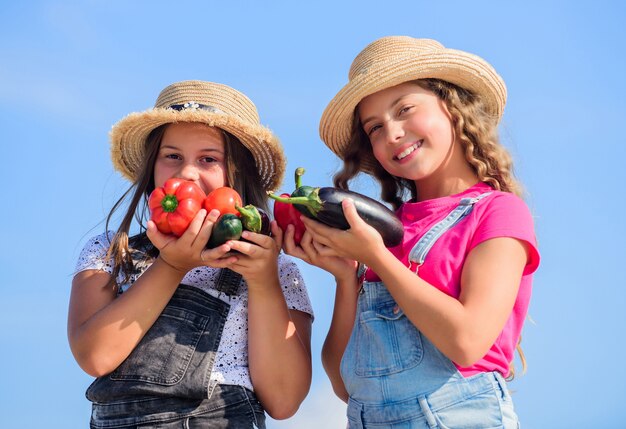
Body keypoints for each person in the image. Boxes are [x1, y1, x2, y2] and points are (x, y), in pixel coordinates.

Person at [282, 36, 540, 428]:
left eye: (405, 110)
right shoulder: (380, 233)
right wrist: (345, 274)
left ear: (453, 107)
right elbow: (344, 381)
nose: (393, 133)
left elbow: (467, 342)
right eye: (375, 129)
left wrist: (377, 259)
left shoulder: (499, 212)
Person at [68, 80, 313, 428]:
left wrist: (263, 281)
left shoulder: (275, 269)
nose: (186, 172)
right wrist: (171, 266)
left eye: (208, 159)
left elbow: (284, 399)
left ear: (237, 175)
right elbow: (95, 356)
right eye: (172, 157)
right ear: (152, 166)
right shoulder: (111, 252)